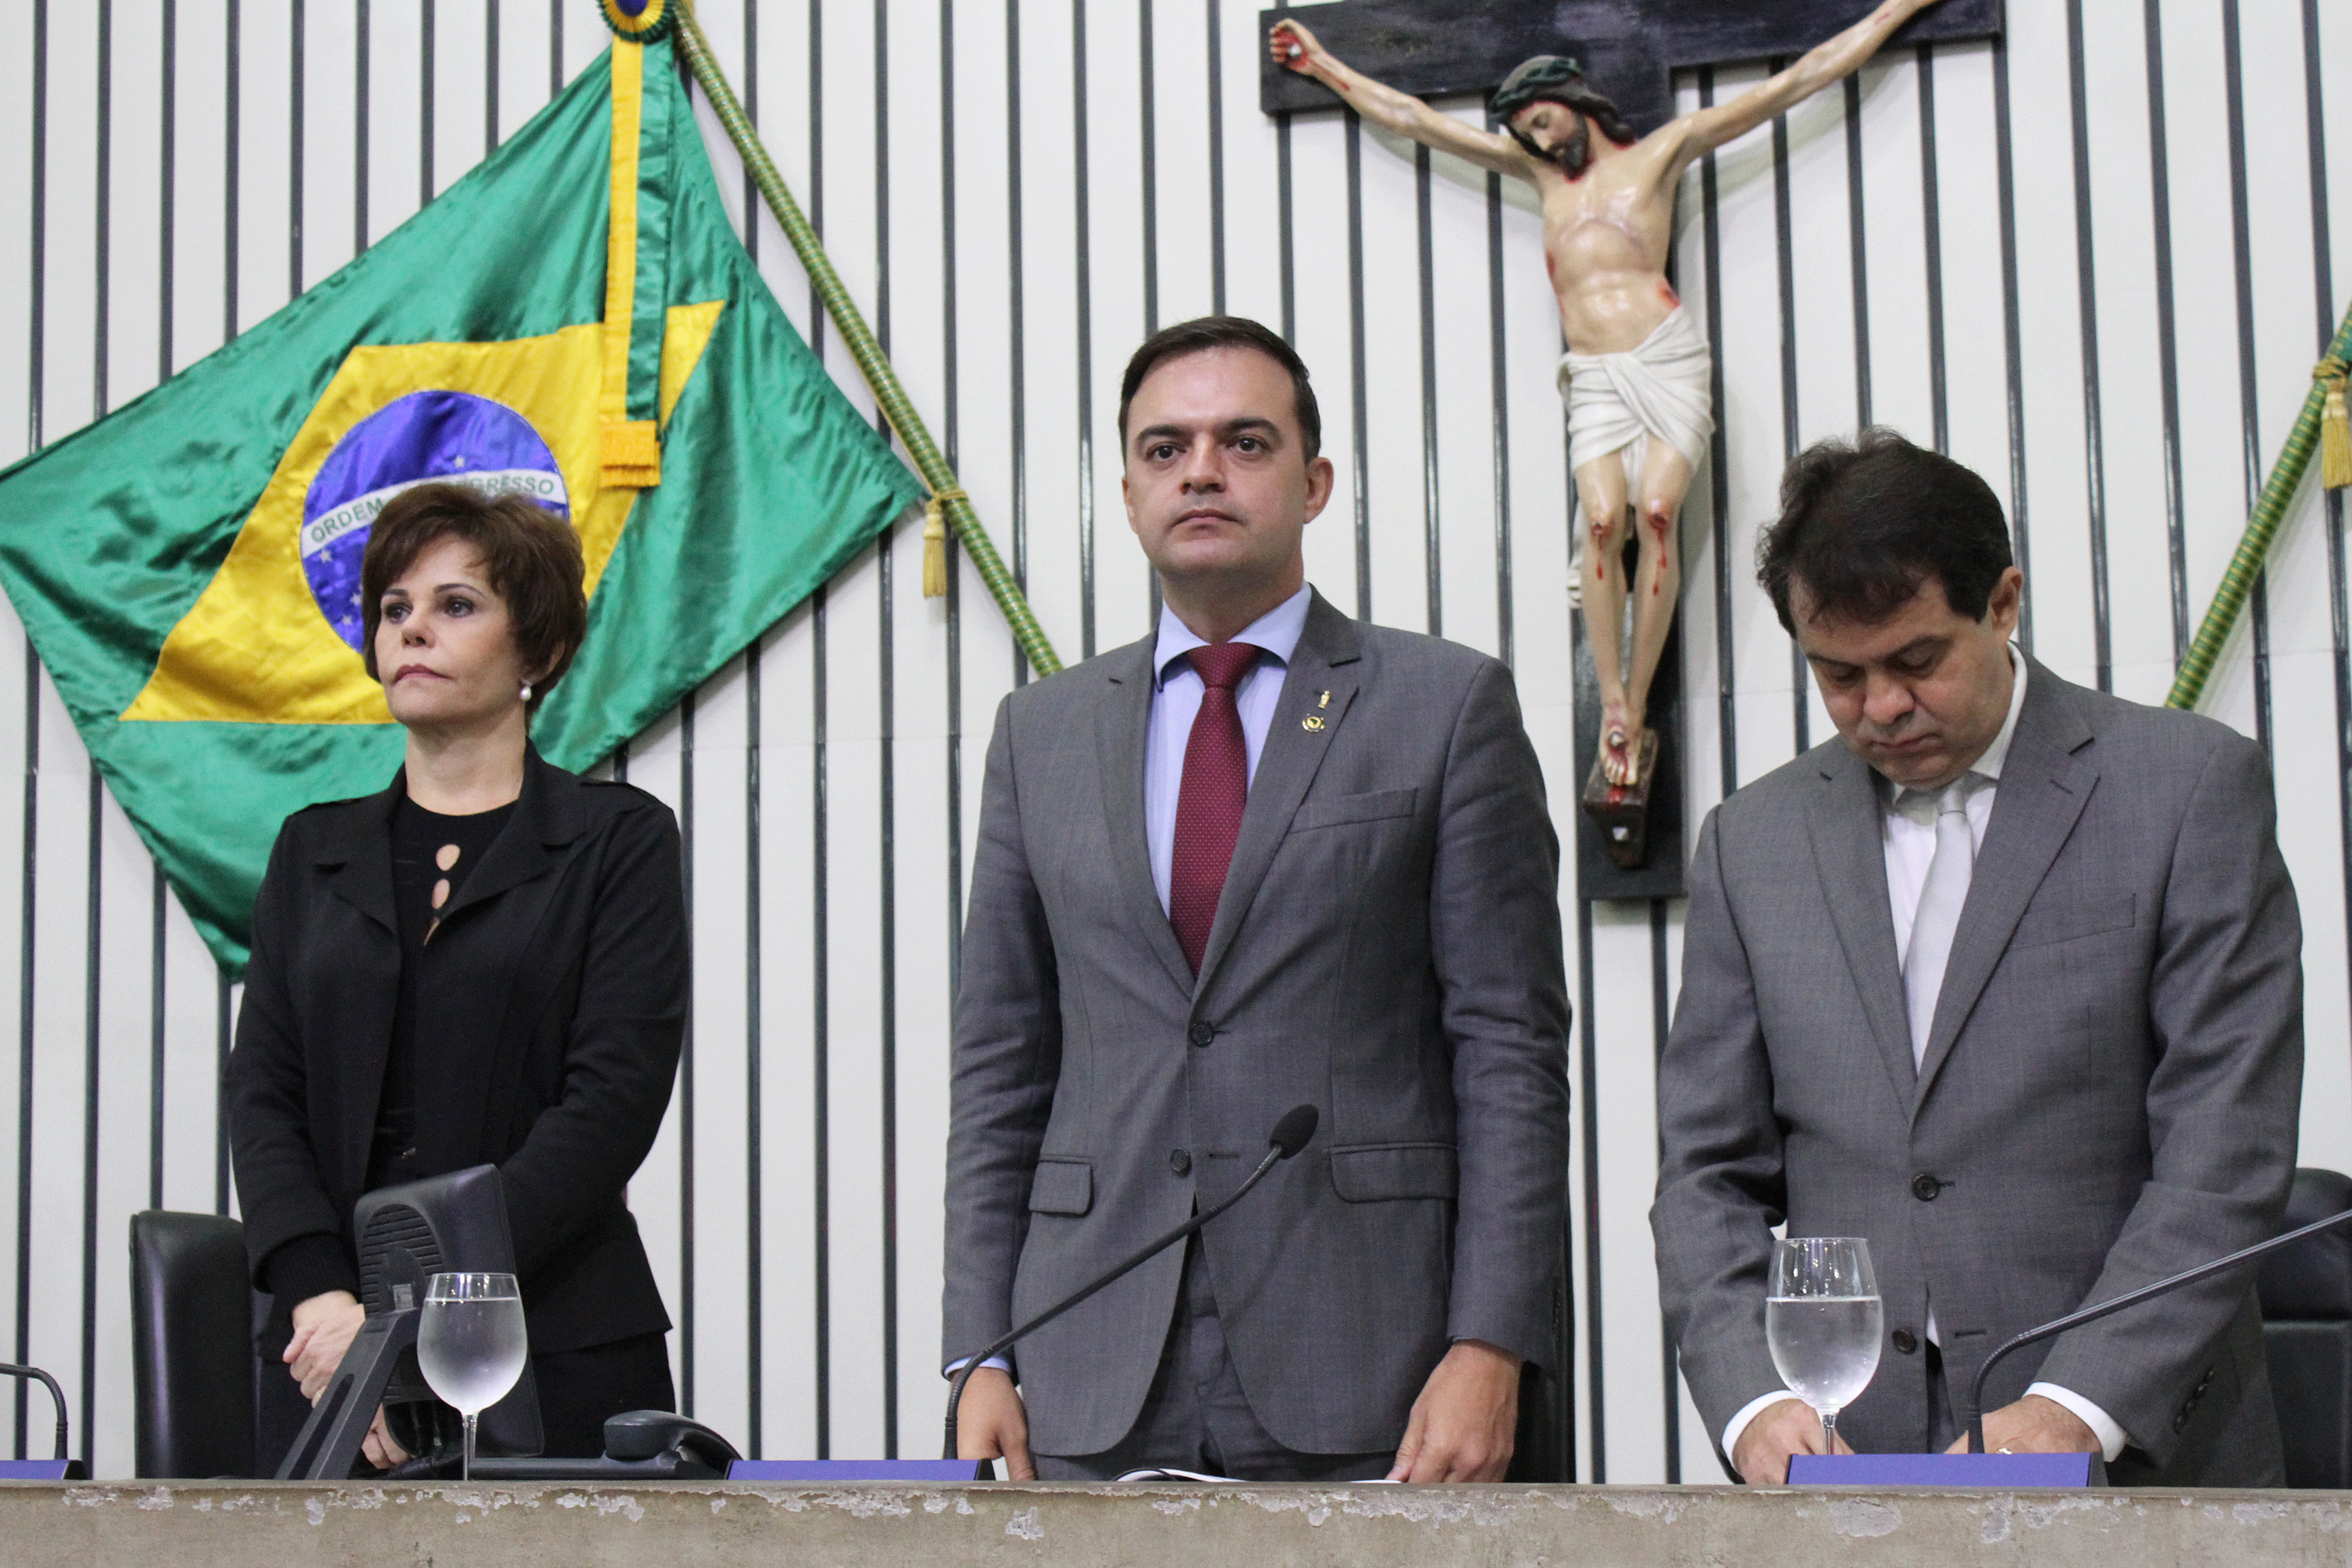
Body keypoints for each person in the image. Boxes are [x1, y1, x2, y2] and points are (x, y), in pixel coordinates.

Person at [943, 316, 1571, 1482]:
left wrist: (1492, 1342)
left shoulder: (1444, 707)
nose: (1201, 471)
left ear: (1314, 483)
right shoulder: (1041, 733)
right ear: (1127, 492)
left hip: (1379, 1367)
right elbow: (1000, 1067)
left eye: (1243, 442)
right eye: (1165, 448)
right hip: (1086, 1364)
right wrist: (978, 1351)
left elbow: (1510, 1054)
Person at [1652, 429, 2300, 1486]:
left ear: (2002, 604)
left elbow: (2224, 1158)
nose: (1881, 708)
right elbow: (1704, 1177)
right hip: (1853, 1468)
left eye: (1917, 662)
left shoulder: (2187, 792)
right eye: (1839, 675)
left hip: (2144, 1468)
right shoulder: (1751, 842)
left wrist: (2076, 1405)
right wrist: (1753, 1401)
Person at [1271, 1, 1945, 789]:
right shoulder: (1536, 176)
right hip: (1594, 374)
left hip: (1664, 358)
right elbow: (1414, 119)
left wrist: (1898, 7)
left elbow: (1797, 81)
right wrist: (1324, 65)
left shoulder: (1661, 154)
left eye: (1543, 120)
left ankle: (1637, 695)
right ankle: (1615, 703)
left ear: (1575, 101)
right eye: (1524, 131)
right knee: (1601, 521)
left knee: (1655, 513)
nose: (1537, 139)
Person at [227, 482, 687, 1471]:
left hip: (553, 1341)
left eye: (457, 605)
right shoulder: (311, 851)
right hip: (325, 1350)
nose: (413, 629)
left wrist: (412, 1311)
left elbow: (612, 1101)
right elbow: (264, 1095)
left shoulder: (618, 840)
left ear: (540, 652)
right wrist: (325, 1301)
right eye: (396, 607)